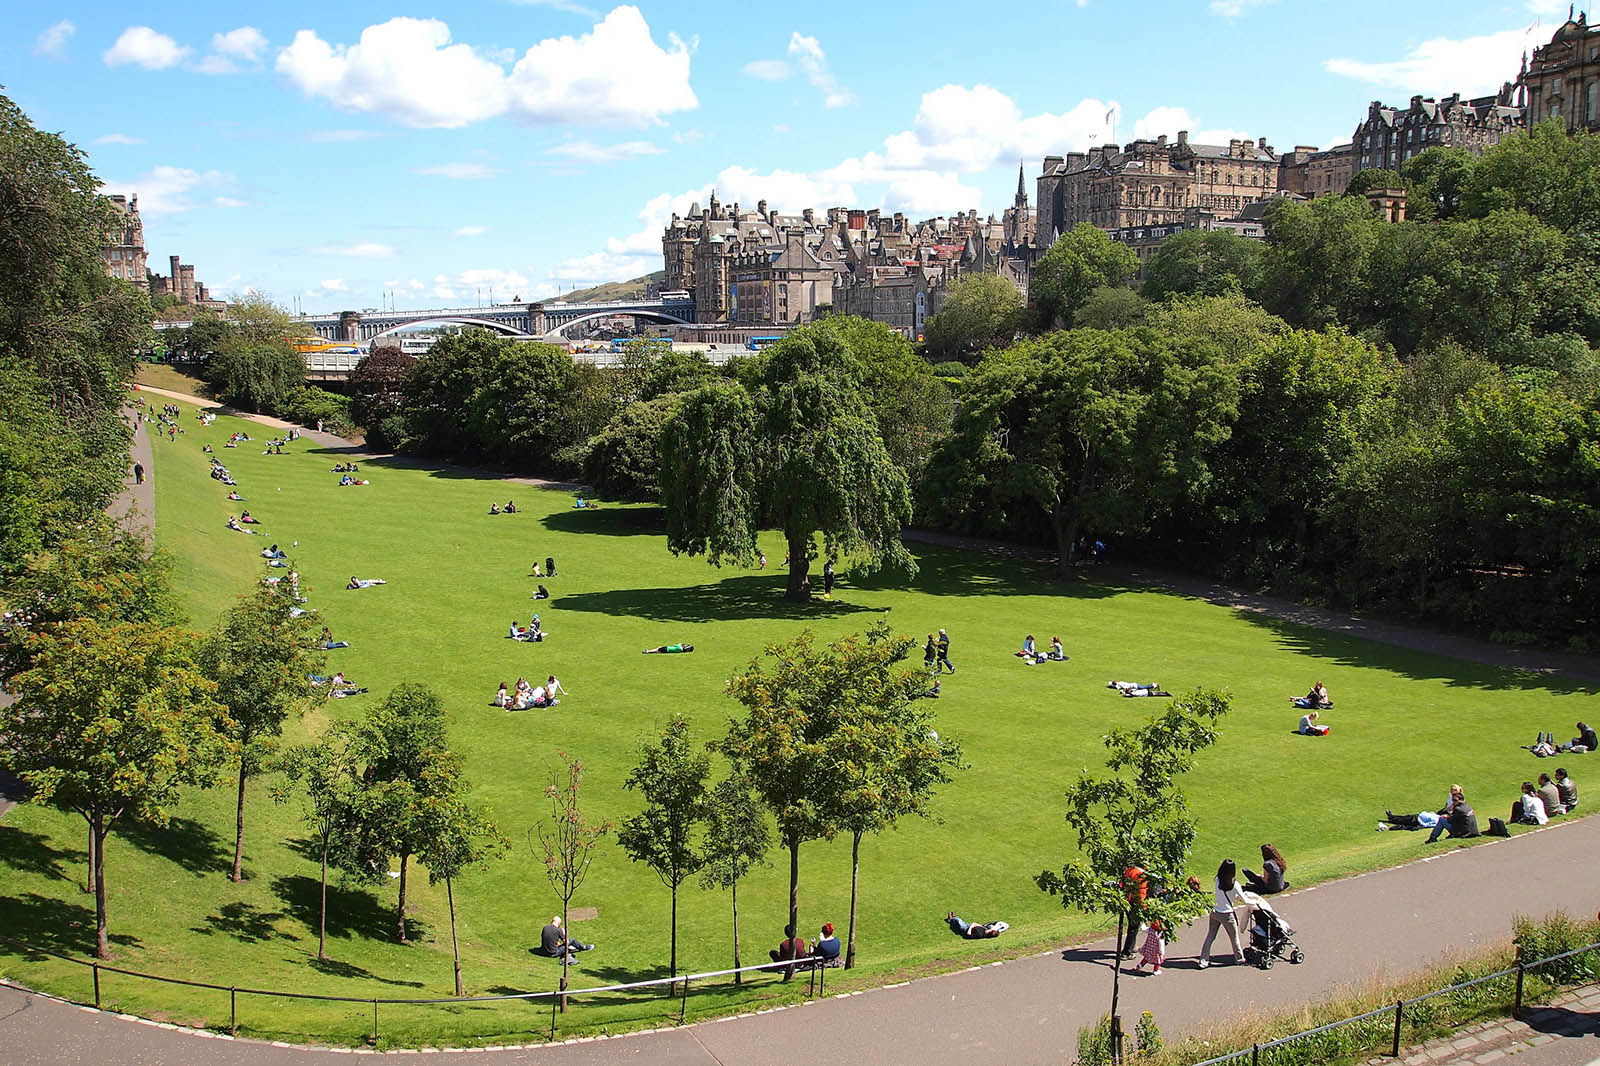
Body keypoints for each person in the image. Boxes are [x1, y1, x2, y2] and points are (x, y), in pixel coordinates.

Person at [1196, 859, 1248, 968]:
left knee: (1210, 937)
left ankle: (1203, 960)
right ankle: (1239, 958)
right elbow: (1245, 900)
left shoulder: (1217, 880)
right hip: (1227, 914)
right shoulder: (1235, 885)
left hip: (1215, 912)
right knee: (1234, 938)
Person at [1119, 866, 1148, 957]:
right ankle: (1126, 952)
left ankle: (1132, 945)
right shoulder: (1141, 875)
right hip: (1135, 903)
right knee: (1134, 927)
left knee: (1132, 925)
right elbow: (1141, 893)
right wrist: (1142, 907)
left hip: (1127, 900)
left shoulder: (1129, 869)